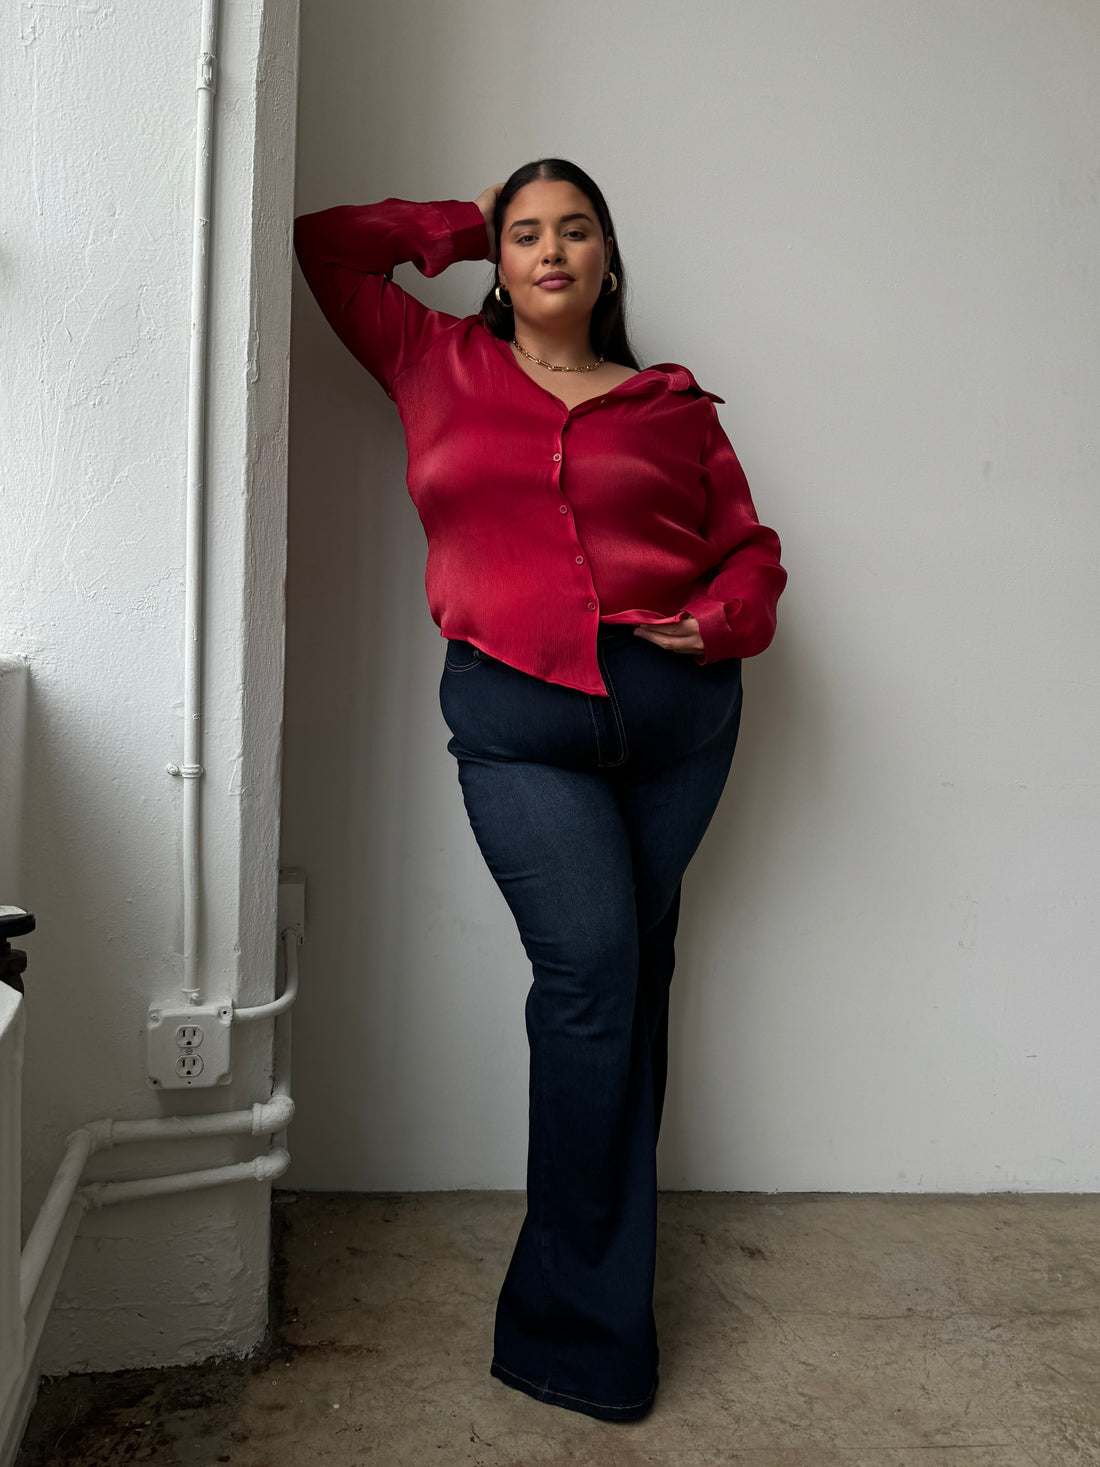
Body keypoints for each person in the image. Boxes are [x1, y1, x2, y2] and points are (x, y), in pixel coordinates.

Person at [293, 157, 787, 1423]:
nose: (551, 249)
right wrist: (460, 223)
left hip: (679, 727)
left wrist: (725, 616)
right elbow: (325, 244)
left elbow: (746, 548)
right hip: (519, 728)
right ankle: (573, 1332)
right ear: (500, 262)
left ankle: (601, 1293)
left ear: (608, 260)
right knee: (590, 985)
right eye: (525, 233)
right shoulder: (430, 358)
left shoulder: (672, 405)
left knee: (629, 988)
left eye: (575, 230)